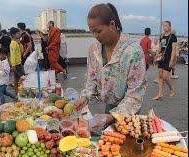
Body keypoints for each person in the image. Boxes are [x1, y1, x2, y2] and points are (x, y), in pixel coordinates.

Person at [73, 3, 147, 131]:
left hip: (130, 111)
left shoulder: (133, 52)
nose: (95, 35)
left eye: (99, 31)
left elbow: (135, 96)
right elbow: (91, 78)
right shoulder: (94, 49)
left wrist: (112, 116)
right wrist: (85, 97)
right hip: (110, 106)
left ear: (112, 24)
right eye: (92, 32)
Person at [153, 21, 177, 100]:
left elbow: (173, 49)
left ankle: (171, 88)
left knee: (165, 76)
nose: (164, 27)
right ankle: (160, 94)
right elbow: (159, 48)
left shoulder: (173, 36)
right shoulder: (162, 36)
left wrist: (172, 60)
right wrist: (156, 57)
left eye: (166, 26)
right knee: (160, 76)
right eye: (163, 26)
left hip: (168, 58)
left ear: (170, 26)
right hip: (161, 58)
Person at [9, 27, 25, 95]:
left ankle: (17, 93)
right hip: (17, 64)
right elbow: (13, 55)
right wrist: (13, 65)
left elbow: (21, 51)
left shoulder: (16, 43)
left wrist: (20, 44)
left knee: (16, 79)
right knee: (23, 77)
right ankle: (20, 92)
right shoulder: (13, 43)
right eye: (17, 33)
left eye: (19, 33)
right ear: (13, 35)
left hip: (17, 63)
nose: (19, 35)